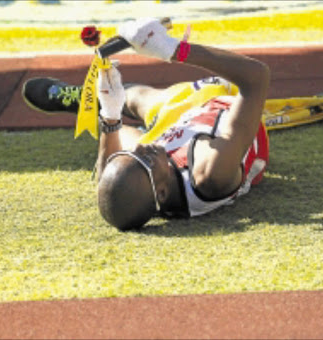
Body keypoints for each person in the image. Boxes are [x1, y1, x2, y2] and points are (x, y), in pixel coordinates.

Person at [22, 18, 270, 231]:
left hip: (177, 133)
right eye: (143, 160)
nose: (141, 150)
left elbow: (109, 182)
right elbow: (257, 77)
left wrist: (110, 114)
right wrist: (174, 50)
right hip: (219, 99)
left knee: (128, 120)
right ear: (161, 193)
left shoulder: (147, 190)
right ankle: (108, 100)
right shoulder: (210, 173)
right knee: (152, 101)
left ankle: (90, 100)